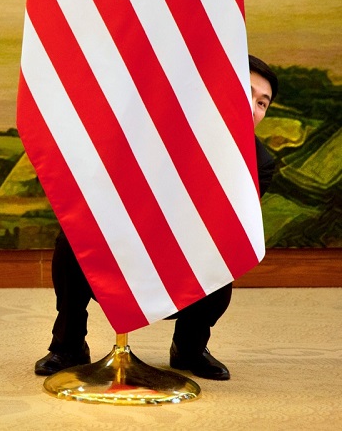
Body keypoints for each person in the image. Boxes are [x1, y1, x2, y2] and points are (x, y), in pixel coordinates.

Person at [34, 55, 279, 380]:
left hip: (186, 260)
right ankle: (68, 344)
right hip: (124, 245)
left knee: (223, 256)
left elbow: (223, 226)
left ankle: (189, 348)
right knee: (73, 237)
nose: (252, 107)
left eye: (262, 103)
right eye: (246, 93)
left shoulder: (260, 161)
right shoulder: (154, 127)